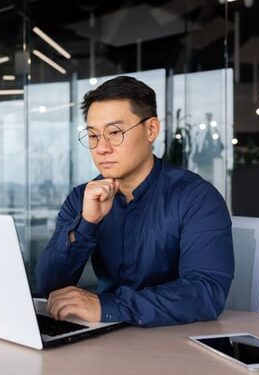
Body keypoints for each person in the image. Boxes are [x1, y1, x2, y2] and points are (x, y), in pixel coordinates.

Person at [35, 76, 234, 327]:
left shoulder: (196, 198)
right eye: (93, 136)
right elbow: (49, 288)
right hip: (105, 336)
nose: (101, 148)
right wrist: (86, 223)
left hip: (175, 339)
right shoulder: (82, 197)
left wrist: (108, 306)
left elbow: (206, 293)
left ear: (151, 130)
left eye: (115, 133)